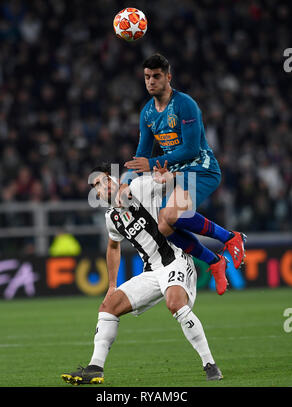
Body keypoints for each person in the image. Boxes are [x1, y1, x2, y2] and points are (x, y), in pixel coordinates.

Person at [61, 164, 223, 385]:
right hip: (151, 272)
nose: (101, 188)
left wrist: (168, 176)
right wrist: (111, 286)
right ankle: (95, 368)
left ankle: (210, 364)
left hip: (175, 260)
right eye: (96, 186)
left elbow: (173, 182)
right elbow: (113, 247)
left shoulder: (138, 187)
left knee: (175, 304)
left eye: (103, 181)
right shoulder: (112, 218)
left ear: (114, 179)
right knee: (108, 307)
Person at [120, 53, 246, 295]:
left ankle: (230, 237)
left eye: (156, 76)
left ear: (168, 77)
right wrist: (127, 182)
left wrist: (154, 163)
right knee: (165, 226)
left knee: (170, 213)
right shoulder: (147, 113)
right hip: (178, 174)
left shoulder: (185, 104)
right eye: (147, 77)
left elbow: (189, 150)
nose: (151, 82)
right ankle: (215, 262)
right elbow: (141, 156)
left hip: (202, 169)